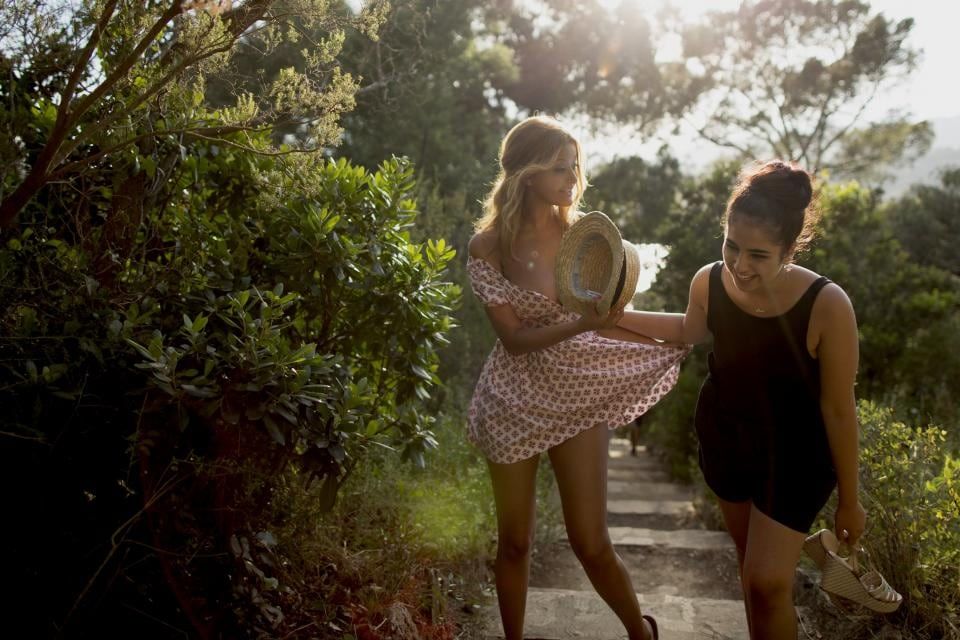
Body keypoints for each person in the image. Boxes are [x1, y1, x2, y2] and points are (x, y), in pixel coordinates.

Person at [616, 160, 867, 639]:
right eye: (731, 246)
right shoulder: (709, 280)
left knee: (767, 582)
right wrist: (615, 318)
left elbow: (838, 409)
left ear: (790, 249)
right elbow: (688, 330)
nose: (740, 265)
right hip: (726, 438)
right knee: (751, 579)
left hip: (795, 456)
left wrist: (851, 502)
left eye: (758, 255)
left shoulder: (828, 305)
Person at [465, 115, 689, 640]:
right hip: (512, 396)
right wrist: (580, 323)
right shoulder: (488, 247)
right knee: (514, 541)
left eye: (575, 168)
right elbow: (515, 340)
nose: (572, 180)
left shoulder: (583, 238)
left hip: (579, 388)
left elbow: (606, 319)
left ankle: (641, 632)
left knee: (590, 539)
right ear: (526, 173)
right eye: (560, 169)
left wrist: (656, 337)